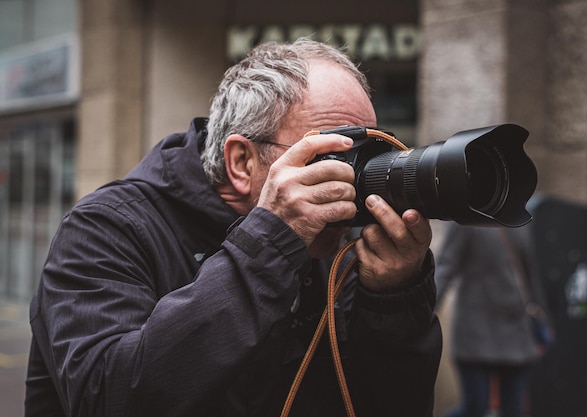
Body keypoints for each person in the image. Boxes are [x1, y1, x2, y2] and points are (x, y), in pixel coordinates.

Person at [25, 38, 442, 417]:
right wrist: (270, 244)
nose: (348, 182)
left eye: (365, 154)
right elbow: (106, 399)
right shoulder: (106, 227)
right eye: (327, 157)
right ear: (242, 162)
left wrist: (394, 300)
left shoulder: (338, 247)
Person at [434, 222, 548, 417]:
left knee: (513, 410)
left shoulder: (519, 219)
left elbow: (531, 275)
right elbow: (445, 268)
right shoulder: (465, 218)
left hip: (516, 331)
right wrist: (421, 311)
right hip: (476, 331)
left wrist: (543, 320)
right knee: (475, 409)